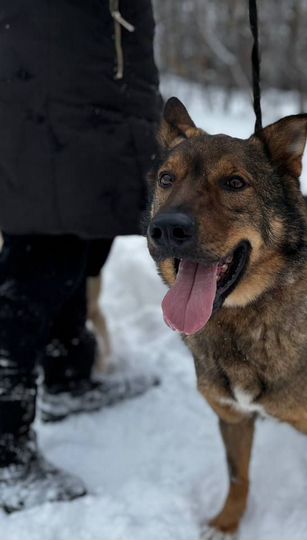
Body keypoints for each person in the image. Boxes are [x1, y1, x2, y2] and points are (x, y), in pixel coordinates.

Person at [0, 0, 161, 512]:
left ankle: (68, 373)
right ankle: (4, 450)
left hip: (104, 69)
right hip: (47, 65)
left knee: (85, 233)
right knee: (41, 252)